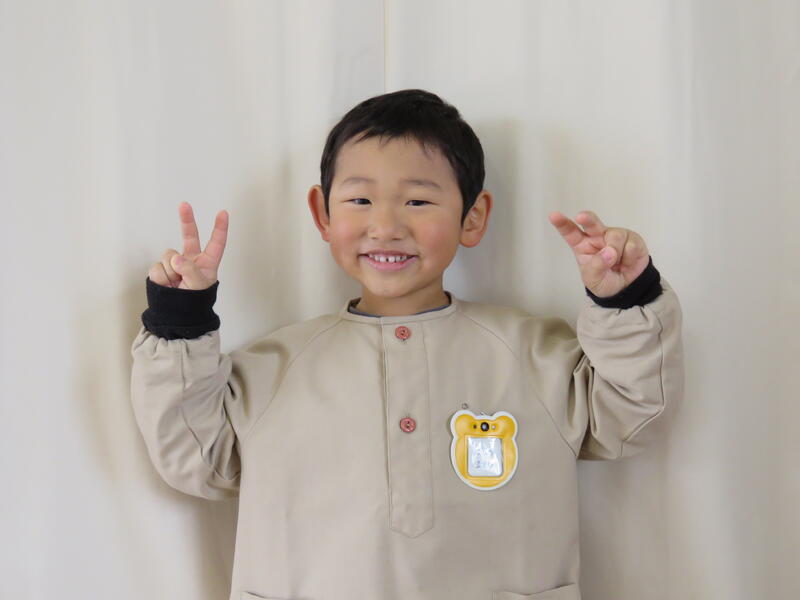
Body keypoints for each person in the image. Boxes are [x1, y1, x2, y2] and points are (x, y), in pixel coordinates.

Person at [130, 89, 684, 600]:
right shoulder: (273, 368)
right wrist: (182, 318)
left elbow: (632, 416)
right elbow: (193, 459)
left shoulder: (535, 353)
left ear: (472, 217)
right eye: (360, 200)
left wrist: (624, 298)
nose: (386, 225)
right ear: (323, 214)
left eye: (418, 202)